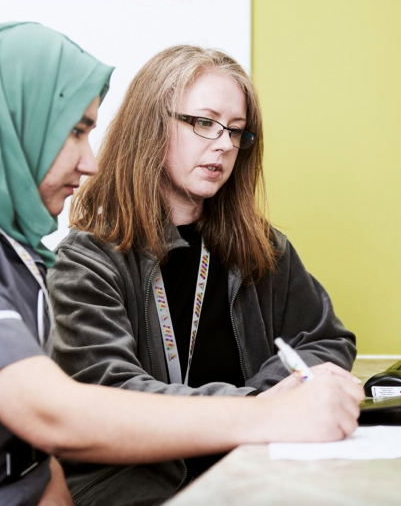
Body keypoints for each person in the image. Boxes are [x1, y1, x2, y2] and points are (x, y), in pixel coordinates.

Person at [0, 23, 362, 506]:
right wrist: (262, 415)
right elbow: (53, 414)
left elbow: (35, 453)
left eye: (235, 132)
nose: (91, 163)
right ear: (13, 123)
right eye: (75, 132)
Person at [49, 45, 358, 505]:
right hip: (137, 488)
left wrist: (263, 400)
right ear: (151, 125)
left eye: (236, 131)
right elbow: (111, 393)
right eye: (204, 123)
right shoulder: (86, 260)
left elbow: (327, 342)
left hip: (247, 470)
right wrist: (260, 410)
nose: (224, 144)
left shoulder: (261, 247)